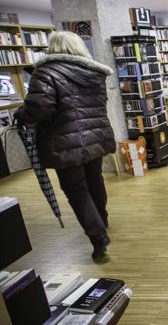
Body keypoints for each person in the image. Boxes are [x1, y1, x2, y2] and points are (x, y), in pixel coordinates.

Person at [15, 31, 116, 261]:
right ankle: (101, 220)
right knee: (94, 181)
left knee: (76, 189)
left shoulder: (45, 72)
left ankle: (98, 237)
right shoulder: (94, 72)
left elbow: (40, 108)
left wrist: (22, 114)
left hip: (63, 141)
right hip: (95, 136)